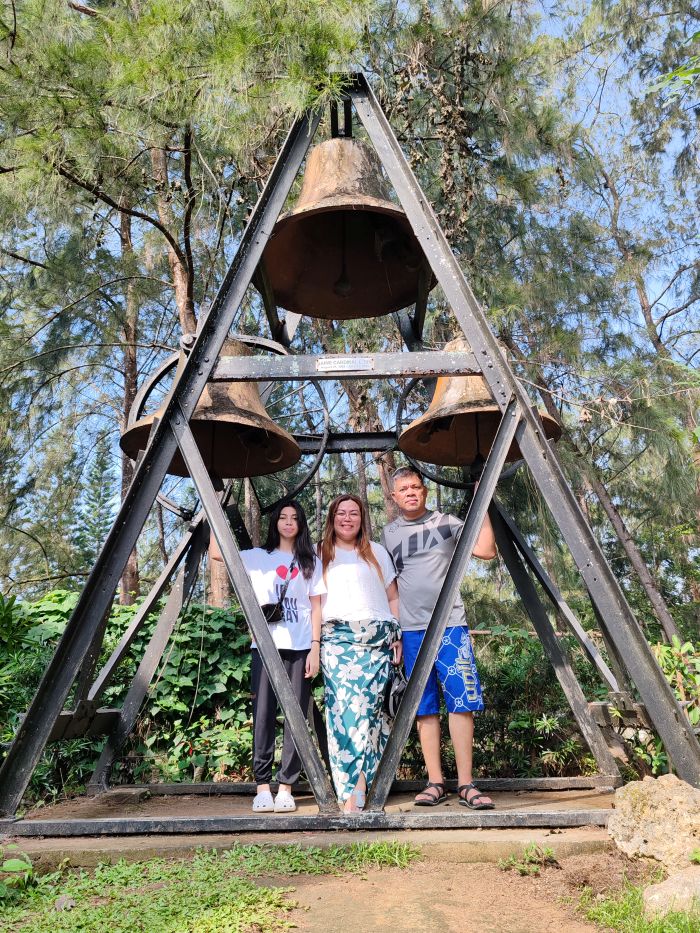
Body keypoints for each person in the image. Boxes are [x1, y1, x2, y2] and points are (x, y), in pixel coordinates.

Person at [381, 467, 496, 810]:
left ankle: (466, 784)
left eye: (416, 486)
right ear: (394, 496)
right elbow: (389, 587)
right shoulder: (388, 535)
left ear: (425, 491)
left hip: (450, 627)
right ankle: (435, 783)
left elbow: (487, 550)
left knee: (461, 703)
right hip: (412, 630)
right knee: (424, 708)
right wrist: (395, 631)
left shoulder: (447, 522)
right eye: (404, 489)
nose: (411, 492)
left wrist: (483, 501)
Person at [210, 499, 325, 814]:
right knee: (262, 715)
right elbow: (218, 553)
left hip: (301, 646)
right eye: (283, 517)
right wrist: (214, 509)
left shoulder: (310, 560)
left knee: (296, 718)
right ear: (275, 522)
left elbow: (316, 606)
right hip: (265, 645)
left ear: (300, 524)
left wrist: (316, 646)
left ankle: (286, 786)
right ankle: (262, 786)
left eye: (295, 518)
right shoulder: (258, 557)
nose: (288, 522)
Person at [319, 494, 402, 812]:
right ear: (332, 518)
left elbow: (393, 599)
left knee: (374, 719)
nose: (347, 518)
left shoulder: (377, 552)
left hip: (379, 645)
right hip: (339, 645)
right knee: (344, 716)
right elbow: (313, 604)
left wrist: (397, 635)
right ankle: (350, 792)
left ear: (361, 519)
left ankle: (365, 783)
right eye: (341, 513)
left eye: (354, 513)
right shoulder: (321, 554)